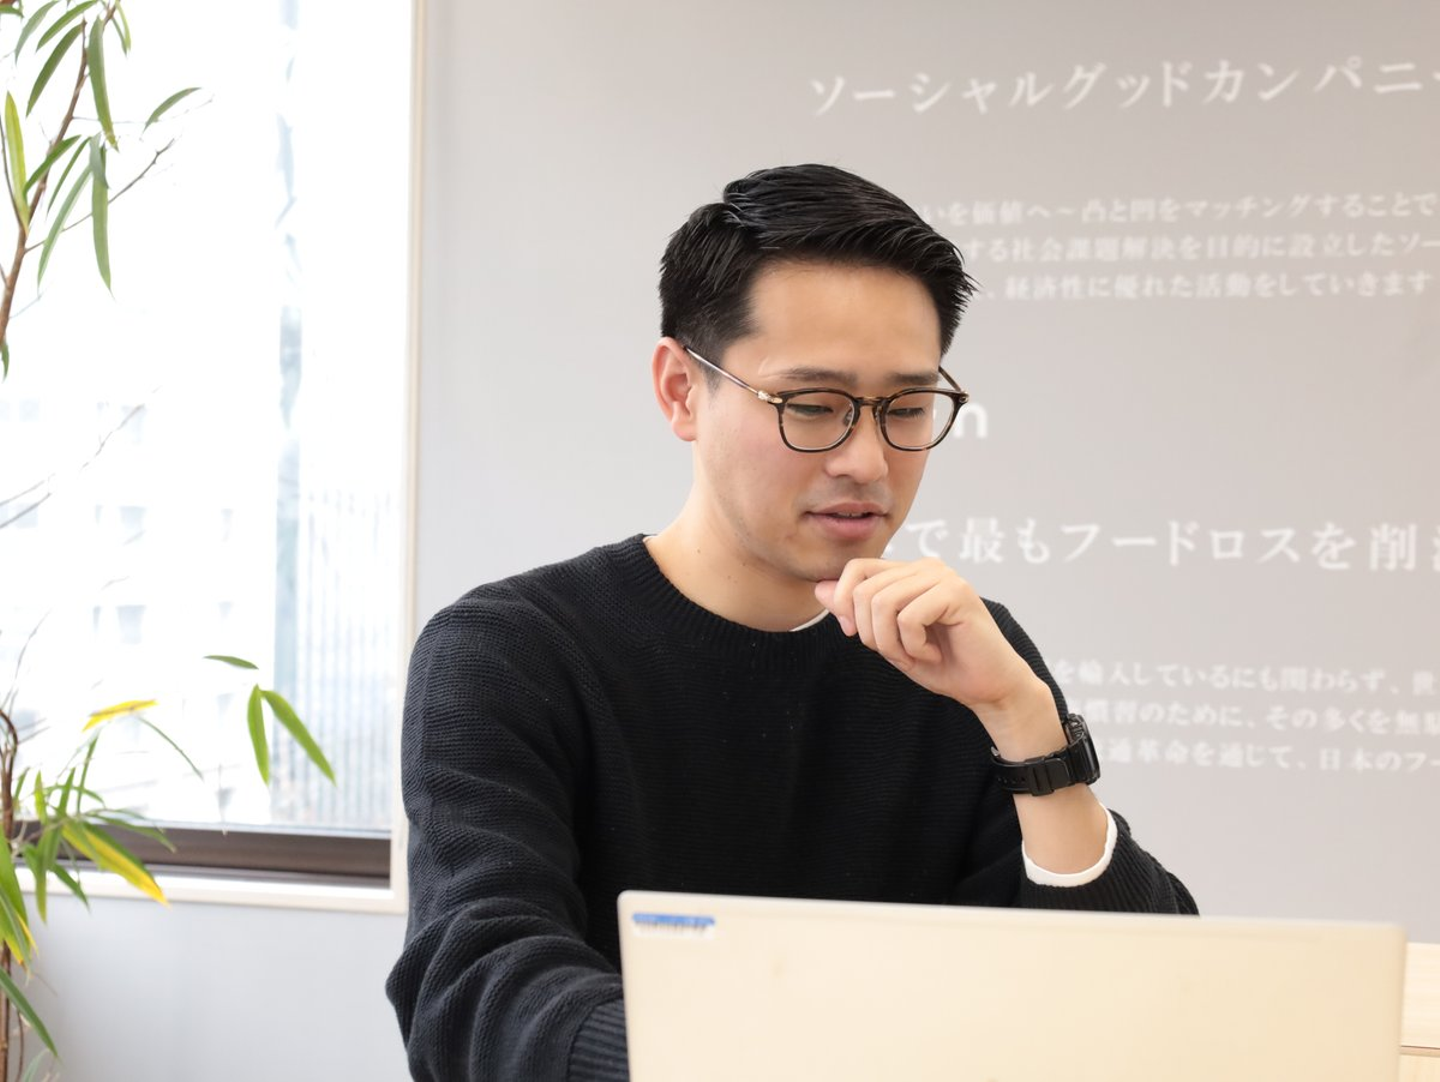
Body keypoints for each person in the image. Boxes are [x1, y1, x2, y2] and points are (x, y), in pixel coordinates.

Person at [386, 164, 1196, 1081]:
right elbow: (477, 993)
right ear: (681, 390)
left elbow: (1149, 999)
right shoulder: (512, 653)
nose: (867, 461)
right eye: (812, 406)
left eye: (906, 408)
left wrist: (1026, 725)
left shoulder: (956, 655)